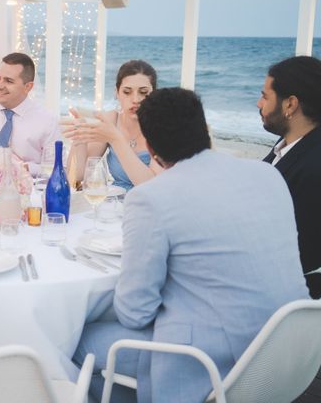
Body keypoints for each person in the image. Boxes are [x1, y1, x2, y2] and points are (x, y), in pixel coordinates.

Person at [73, 88, 309, 402]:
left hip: (213, 366)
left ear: (150, 146)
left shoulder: (152, 198)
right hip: (289, 352)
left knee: (80, 340)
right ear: (202, 128)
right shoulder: (268, 174)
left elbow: (134, 314)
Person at [257, 55, 321, 299]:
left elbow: (302, 252)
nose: (258, 103)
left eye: (265, 96)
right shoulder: (286, 144)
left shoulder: (315, 168)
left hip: (285, 296)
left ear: (290, 105)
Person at [63, 60, 163, 191]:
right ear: (117, 92)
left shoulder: (162, 127)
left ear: (154, 93)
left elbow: (150, 187)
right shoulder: (112, 120)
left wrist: (116, 139)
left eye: (143, 92)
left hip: (149, 205)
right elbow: (76, 176)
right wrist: (80, 139)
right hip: (115, 204)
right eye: (127, 92)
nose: (135, 99)